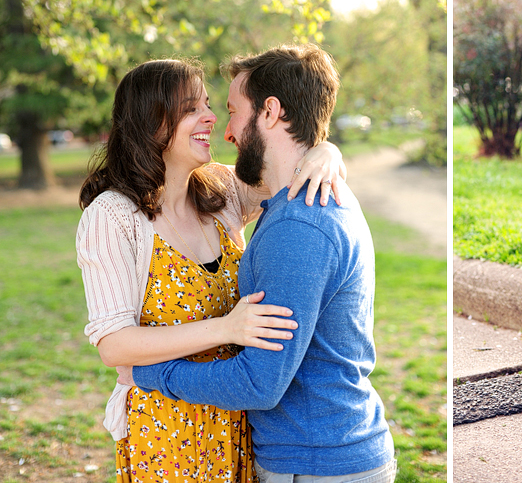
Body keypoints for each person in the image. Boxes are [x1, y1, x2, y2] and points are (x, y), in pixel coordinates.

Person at [123, 44, 396, 483]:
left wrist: (154, 373)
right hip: (329, 454)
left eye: (232, 110)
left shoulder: (299, 227)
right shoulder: (317, 201)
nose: (226, 131)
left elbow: (258, 384)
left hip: (315, 464)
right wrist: (326, 148)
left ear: (270, 112)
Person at [76, 57, 346, 482]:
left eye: (207, 104)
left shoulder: (221, 189)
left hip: (236, 423)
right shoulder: (113, 216)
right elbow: (114, 345)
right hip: (166, 431)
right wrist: (227, 329)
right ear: (153, 122)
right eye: (192, 108)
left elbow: (286, 162)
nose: (211, 117)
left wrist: (326, 151)